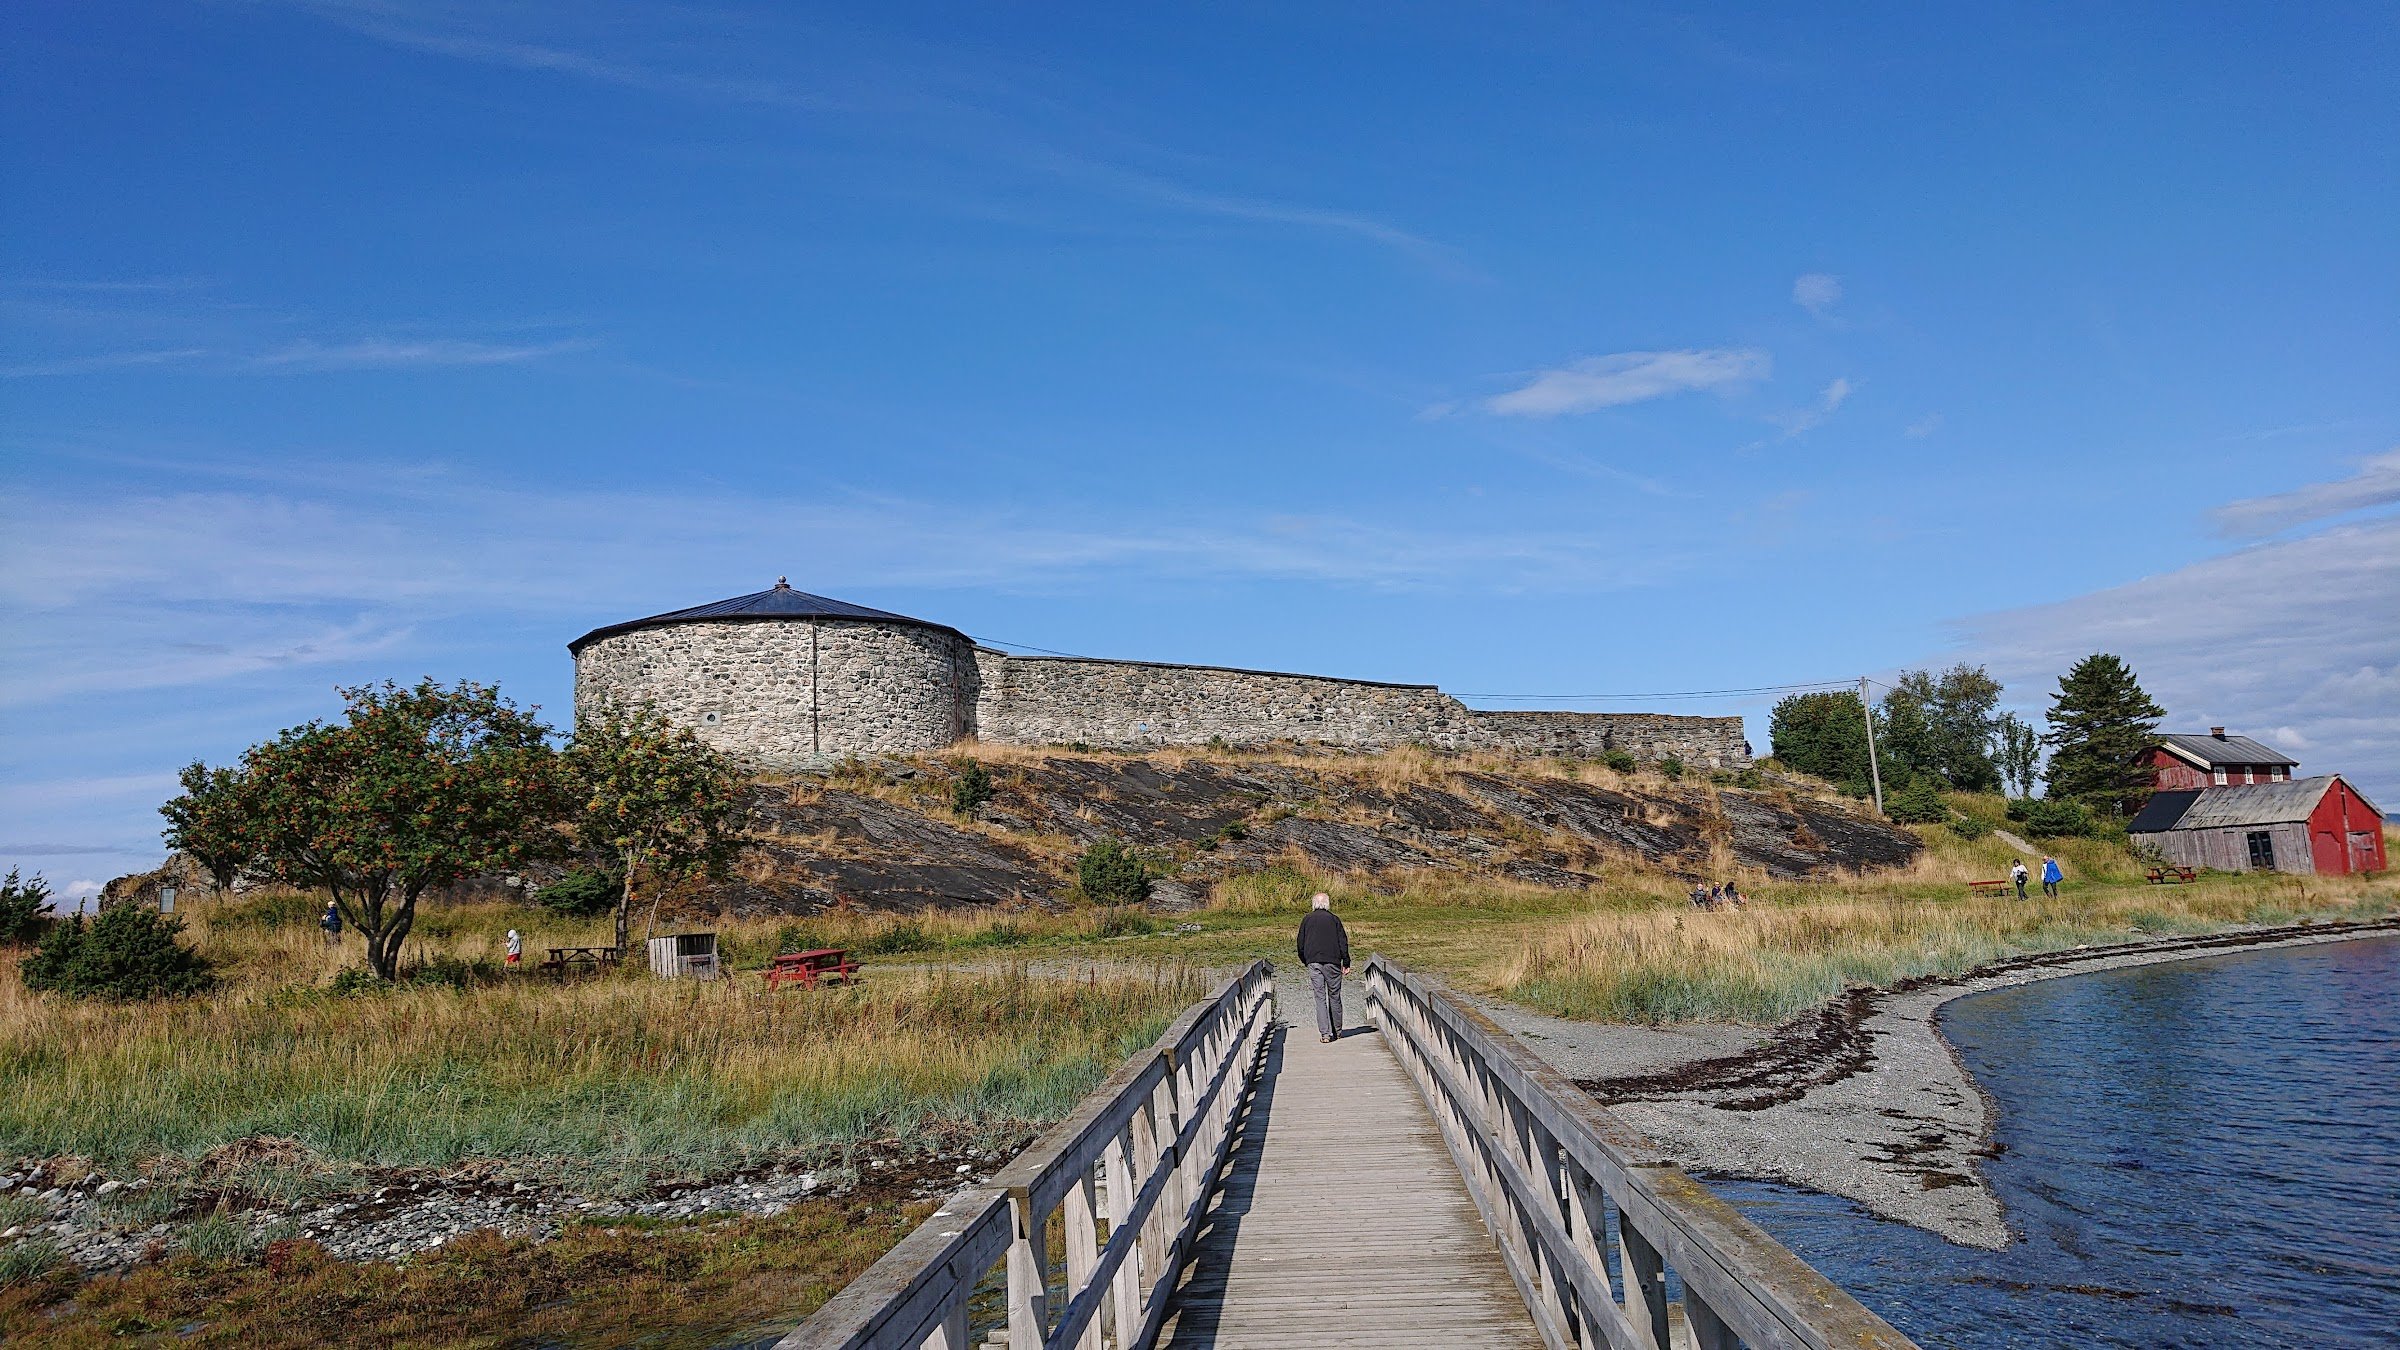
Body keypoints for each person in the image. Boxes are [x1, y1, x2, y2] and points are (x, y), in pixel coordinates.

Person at [1296, 892, 1351, 1044]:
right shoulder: (1334, 919)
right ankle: (1337, 1031)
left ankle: (1325, 1034)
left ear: (1314, 904)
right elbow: (1343, 942)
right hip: (1333, 962)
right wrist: (1346, 962)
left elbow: (1300, 943)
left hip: (1314, 961)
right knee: (1334, 996)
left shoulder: (1307, 919)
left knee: (1320, 998)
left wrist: (1305, 960)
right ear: (1327, 904)